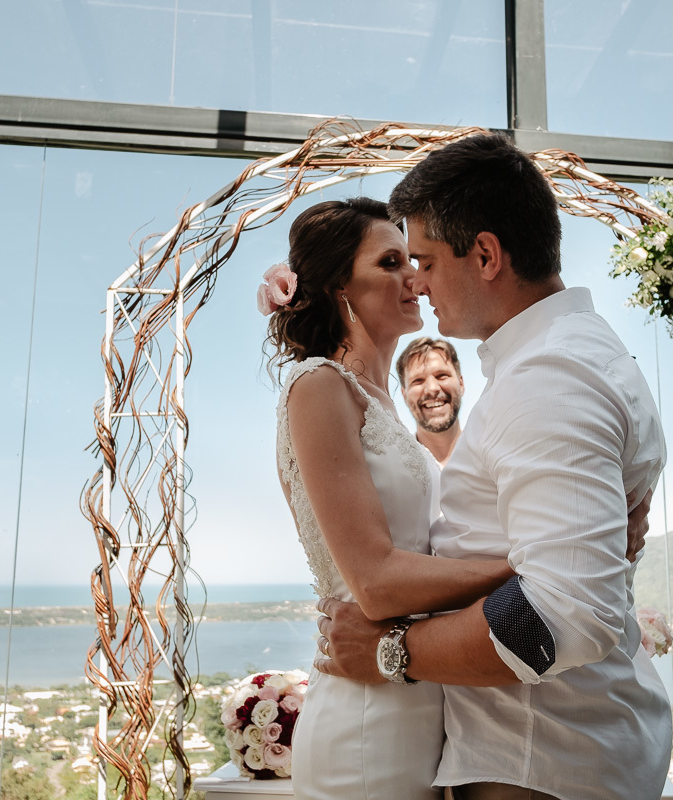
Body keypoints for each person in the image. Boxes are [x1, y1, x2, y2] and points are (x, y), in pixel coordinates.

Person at [315, 134, 672, 800]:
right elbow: (569, 570)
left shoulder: (548, 378)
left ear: (484, 255)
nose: (418, 282)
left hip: (542, 762)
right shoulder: (573, 356)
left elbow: (566, 611)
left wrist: (392, 652)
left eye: (424, 259)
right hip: (551, 751)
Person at [266, 197, 515, 800]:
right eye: (390, 262)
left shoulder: (382, 405)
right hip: (365, 720)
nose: (415, 277)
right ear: (337, 287)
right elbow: (375, 582)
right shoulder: (318, 386)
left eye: (412, 260)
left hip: (414, 692)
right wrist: (527, 569)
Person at [396, 337, 465, 465]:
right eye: (418, 381)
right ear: (404, 395)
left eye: (442, 376)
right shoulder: (395, 464)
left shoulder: (490, 449)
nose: (432, 389)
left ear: (461, 384)